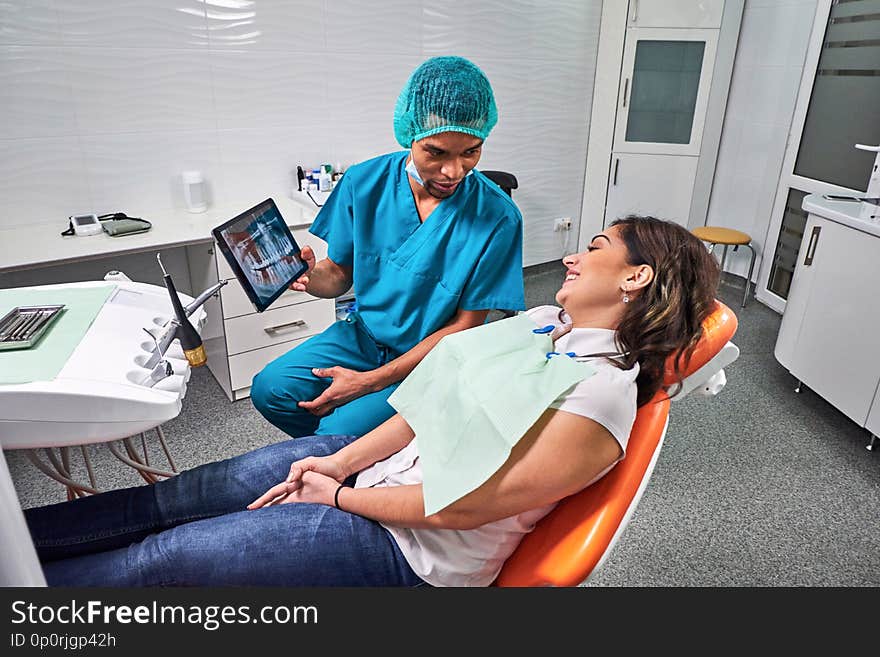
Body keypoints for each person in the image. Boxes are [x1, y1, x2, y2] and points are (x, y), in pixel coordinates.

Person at [25, 216, 720, 587]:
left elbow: (462, 505)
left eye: (593, 247)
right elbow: (426, 404)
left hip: (409, 545)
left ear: (635, 275)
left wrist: (336, 499)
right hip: (368, 473)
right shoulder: (544, 322)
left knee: (167, 561)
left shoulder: (600, 402)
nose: (571, 256)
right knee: (175, 497)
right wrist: (335, 463)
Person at [250, 56, 525, 439]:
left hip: (435, 359)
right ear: (408, 134)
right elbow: (338, 275)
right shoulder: (365, 182)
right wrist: (308, 276)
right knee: (270, 389)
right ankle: (360, 457)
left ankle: (350, 454)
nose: (454, 172)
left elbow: (464, 327)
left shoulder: (498, 217)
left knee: (336, 433)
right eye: (436, 152)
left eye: (471, 152)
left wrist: (370, 383)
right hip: (363, 336)